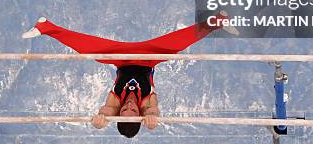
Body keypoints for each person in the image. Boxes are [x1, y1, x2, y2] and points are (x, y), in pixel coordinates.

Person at [21, 12, 238, 138]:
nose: (129, 105)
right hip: (148, 58)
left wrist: (99, 121)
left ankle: (46, 27)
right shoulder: (147, 107)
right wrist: (153, 118)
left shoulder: (114, 106)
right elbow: (154, 110)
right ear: (140, 115)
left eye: (124, 109)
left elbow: (104, 113)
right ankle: (218, 20)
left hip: (122, 59)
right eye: (132, 110)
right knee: (178, 42)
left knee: (90, 49)